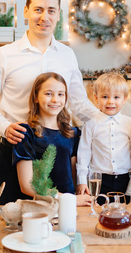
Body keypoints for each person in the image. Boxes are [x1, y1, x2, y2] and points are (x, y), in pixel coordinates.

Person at [0, 0, 99, 203]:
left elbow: (79, 103)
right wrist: (4, 127)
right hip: (17, 148)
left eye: (51, 10)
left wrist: (113, 122)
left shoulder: (67, 55)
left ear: (58, 15)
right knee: (13, 219)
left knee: (59, 220)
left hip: (58, 152)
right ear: (25, 11)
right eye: (38, 9)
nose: (45, 17)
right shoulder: (4, 55)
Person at [11, 72, 92, 206]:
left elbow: (73, 177)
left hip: (70, 206)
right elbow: (26, 185)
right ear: (36, 97)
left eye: (61, 94)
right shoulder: (25, 133)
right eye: (48, 94)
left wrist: (76, 198)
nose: (55, 100)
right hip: (41, 207)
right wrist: (67, 199)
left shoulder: (72, 133)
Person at [76, 72, 131, 197]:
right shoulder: (90, 124)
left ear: (124, 99)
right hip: (98, 180)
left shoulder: (129, 123)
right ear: (96, 98)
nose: (110, 102)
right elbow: (83, 154)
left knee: (122, 213)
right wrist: (82, 181)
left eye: (116, 97)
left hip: (124, 179)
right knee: (98, 212)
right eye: (105, 97)